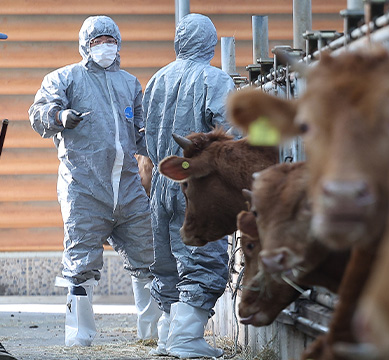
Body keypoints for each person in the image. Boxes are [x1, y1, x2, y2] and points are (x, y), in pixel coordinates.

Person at [28, 16, 162, 347]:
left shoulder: (129, 83)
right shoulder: (66, 78)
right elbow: (38, 113)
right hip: (84, 188)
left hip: (129, 189)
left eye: (109, 40)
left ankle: (153, 334)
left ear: (118, 43)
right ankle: (80, 338)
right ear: (85, 45)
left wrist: (166, 150)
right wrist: (59, 117)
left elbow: (142, 132)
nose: (105, 46)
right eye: (97, 41)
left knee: (149, 257)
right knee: (80, 264)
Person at [142, 13, 234, 359]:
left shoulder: (157, 79)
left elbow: (146, 134)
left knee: (166, 259)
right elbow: (231, 132)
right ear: (210, 43)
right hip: (198, 185)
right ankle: (187, 338)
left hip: (163, 180)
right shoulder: (215, 79)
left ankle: (168, 335)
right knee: (203, 256)